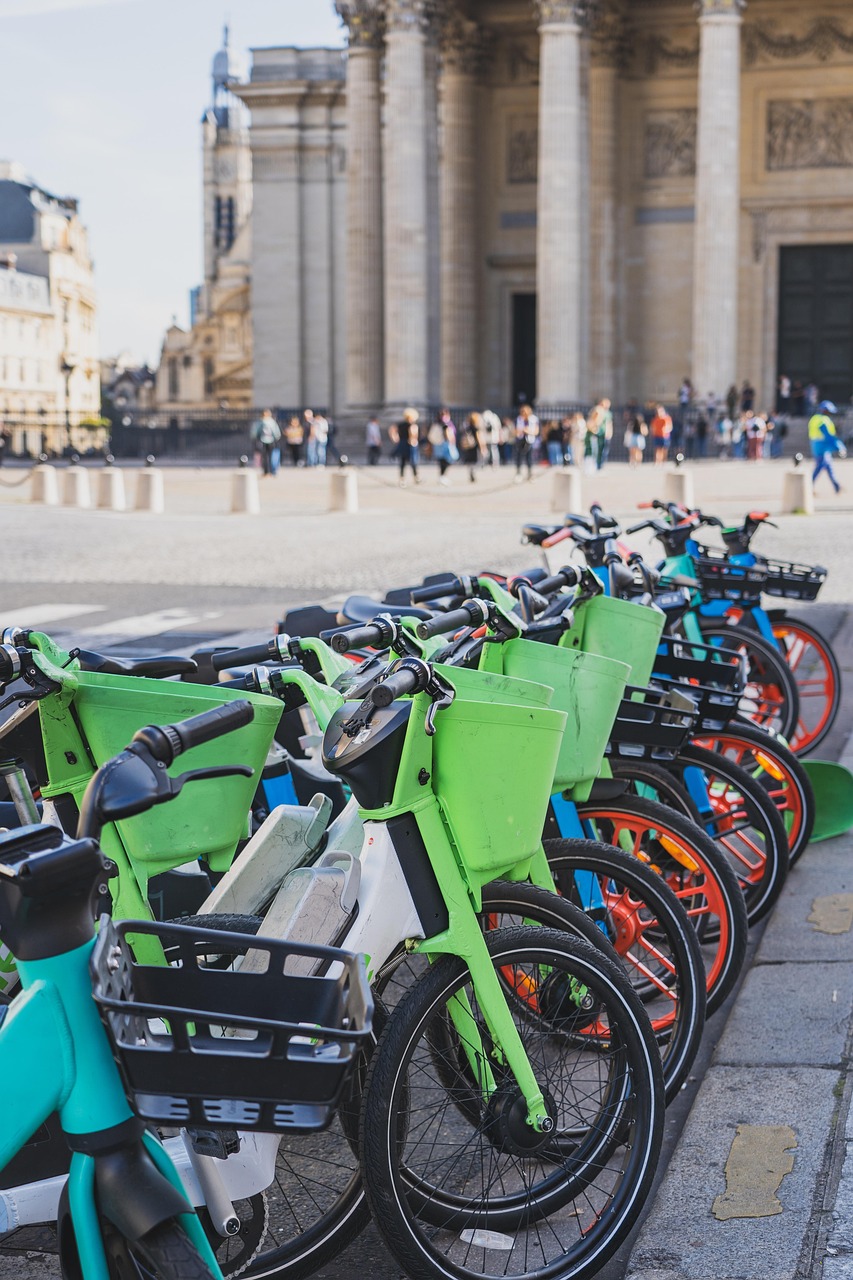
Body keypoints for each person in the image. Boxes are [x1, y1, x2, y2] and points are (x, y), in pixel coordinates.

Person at [809, 400, 845, 494]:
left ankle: (836, 486)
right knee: (820, 466)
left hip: (817, 445)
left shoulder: (815, 418)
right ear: (825, 411)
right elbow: (829, 437)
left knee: (828, 466)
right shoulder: (823, 420)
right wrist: (840, 447)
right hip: (821, 447)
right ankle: (808, 486)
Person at [391, 407, 421, 486]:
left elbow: (392, 429)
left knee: (403, 462)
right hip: (409, 445)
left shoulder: (401, 425)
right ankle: (416, 477)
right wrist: (412, 440)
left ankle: (402, 479)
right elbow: (413, 435)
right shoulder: (412, 425)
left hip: (402, 444)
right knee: (413, 462)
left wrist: (395, 438)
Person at [429, 409, 458, 484]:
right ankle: (442, 476)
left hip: (438, 444)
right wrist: (452, 441)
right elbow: (449, 434)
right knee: (448, 459)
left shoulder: (436, 423)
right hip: (445, 444)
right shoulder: (446, 423)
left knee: (442, 461)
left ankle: (442, 476)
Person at [250, 408, 281, 476]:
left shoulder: (260, 422)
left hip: (263, 441)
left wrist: (254, 438)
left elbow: (254, 432)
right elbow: (277, 433)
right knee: (270, 457)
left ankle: (266, 472)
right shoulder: (272, 422)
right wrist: (276, 438)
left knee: (265, 457)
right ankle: (271, 471)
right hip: (271, 441)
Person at [514, 404, 539, 481]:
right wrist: (522, 430)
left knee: (529, 458)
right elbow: (515, 431)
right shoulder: (518, 419)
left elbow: (536, 431)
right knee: (519, 458)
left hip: (529, 440)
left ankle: (530, 474)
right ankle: (518, 473)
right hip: (520, 440)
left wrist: (528, 431)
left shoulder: (534, 419)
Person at [460, 412, 483, 482]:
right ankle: (473, 472)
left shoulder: (467, 427)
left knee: (469, 461)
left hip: (468, 446)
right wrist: (482, 446)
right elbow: (478, 437)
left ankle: (470, 471)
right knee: (475, 461)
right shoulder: (475, 428)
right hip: (474, 446)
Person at [623, 403, 647, 468]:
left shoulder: (632, 424)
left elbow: (629, 431)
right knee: (638, 451)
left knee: (632, 451)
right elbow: (645, 432)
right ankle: (638, 462)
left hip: (633, 437)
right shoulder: (642, 424)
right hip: (639, 438)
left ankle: (633, 461)